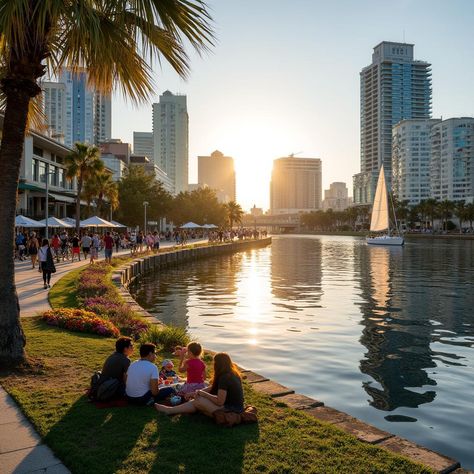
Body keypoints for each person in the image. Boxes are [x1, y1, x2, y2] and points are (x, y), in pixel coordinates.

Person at [155, 352, 244, 417]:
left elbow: (220, 401)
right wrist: (195, 392)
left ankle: (170, 411)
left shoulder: (225, 377)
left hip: (231, 410)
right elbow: (213, 387)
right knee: (197, 399)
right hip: (231, 407)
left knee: (198, 400)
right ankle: (170, 410)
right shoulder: (231, 373)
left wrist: (202, 394)